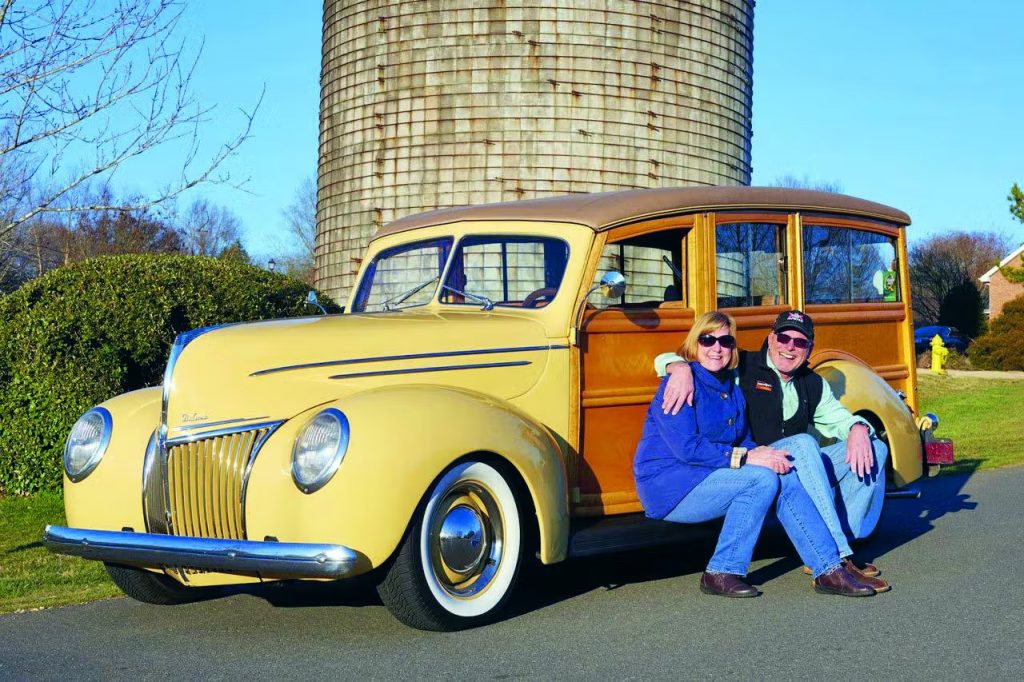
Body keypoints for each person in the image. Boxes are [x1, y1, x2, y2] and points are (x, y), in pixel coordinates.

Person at [634, 311, 877, 598]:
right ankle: (721, 571)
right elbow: (687, 448)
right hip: (671, 485)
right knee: (761, 480)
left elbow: (742, 438)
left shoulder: (731, 390)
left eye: (725, 341)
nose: (717, 348)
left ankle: (828, 569)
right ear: (694, 344)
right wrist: (679, 367)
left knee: (780, 472)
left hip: (709, 476)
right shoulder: (679, 385)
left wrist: (761, 452)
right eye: (707, 340)